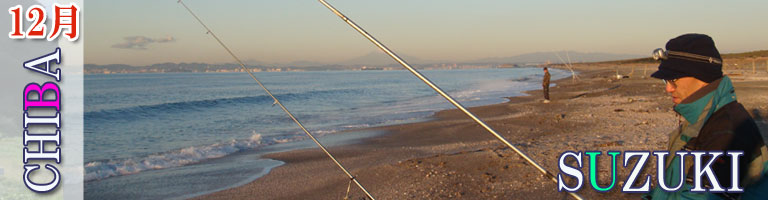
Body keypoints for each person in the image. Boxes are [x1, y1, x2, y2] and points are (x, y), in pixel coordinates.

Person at [646, 33, 768, 200]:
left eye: (673, 79)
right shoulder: (700, 119)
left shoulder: (726, 130)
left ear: (702, 76)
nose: (668, 88)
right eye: (665, 81)